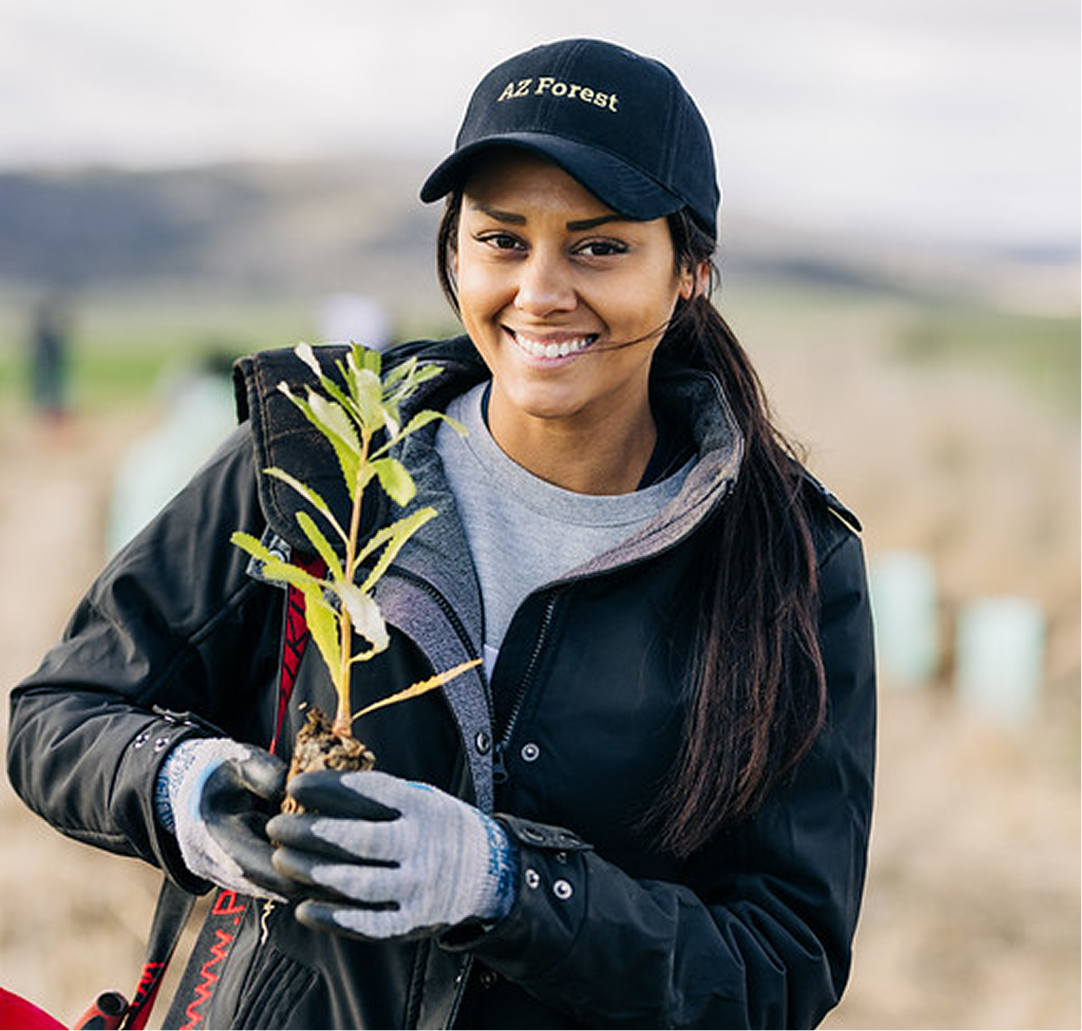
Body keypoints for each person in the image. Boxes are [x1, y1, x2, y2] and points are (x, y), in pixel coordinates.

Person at [7, 38, 876, 1031]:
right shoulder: (315, 459)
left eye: (598, 245)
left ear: (688, 270)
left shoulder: (785, 561)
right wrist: (187, 789)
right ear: (451, 254)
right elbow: (60, 714)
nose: (540, 291)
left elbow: (778, 963)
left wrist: (508, 883)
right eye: (501, 240)